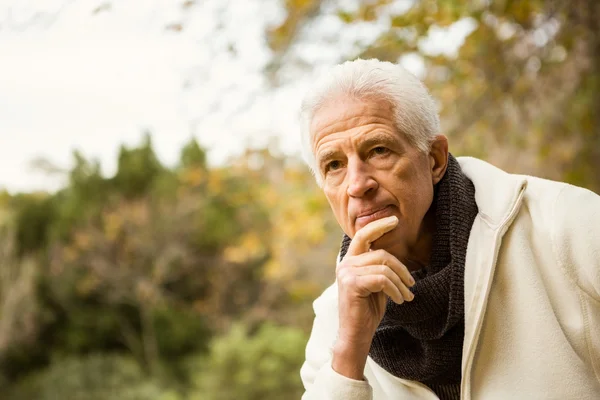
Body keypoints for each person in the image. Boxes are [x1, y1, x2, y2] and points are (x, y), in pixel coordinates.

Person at [298, 58, 600, 400]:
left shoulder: (568, 225)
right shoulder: (332, 321)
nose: (357, 184)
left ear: (435, 159)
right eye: (334, 165)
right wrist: (349, 350)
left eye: (379, 150)